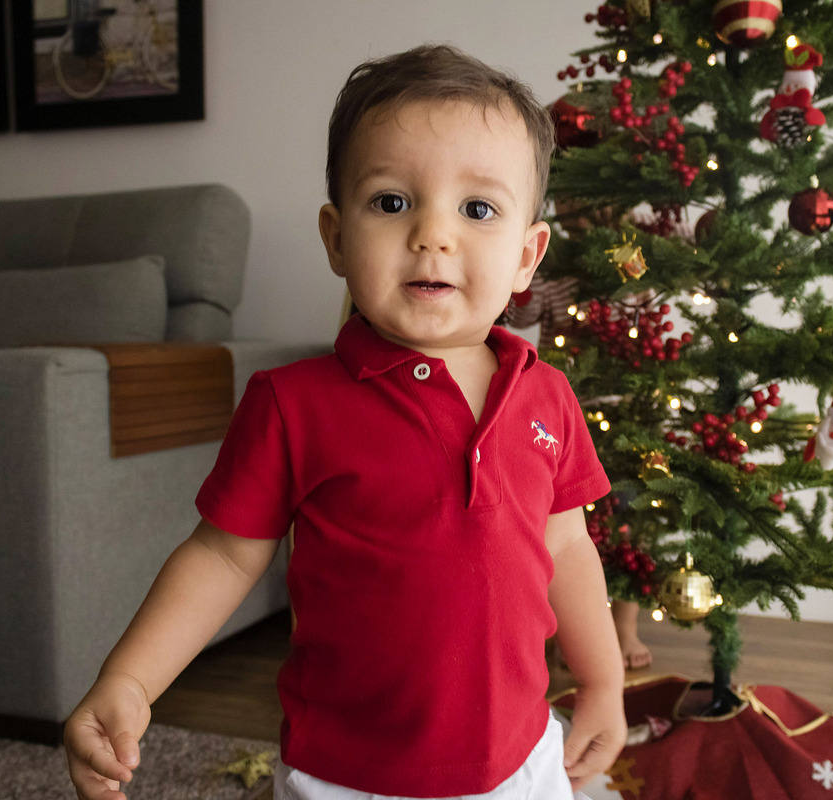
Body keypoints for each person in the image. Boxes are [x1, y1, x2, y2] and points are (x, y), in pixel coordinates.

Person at [64, 44, 627, 800]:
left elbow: (566, 546)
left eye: (478, 208)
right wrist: (130, 678)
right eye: (392, 202)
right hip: (346, 775)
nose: (433, 233)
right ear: (336, 237)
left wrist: (602, 681)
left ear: (527, 257)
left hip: (520, 760)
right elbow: (223, 558)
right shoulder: (293, 403)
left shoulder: (546, 395)